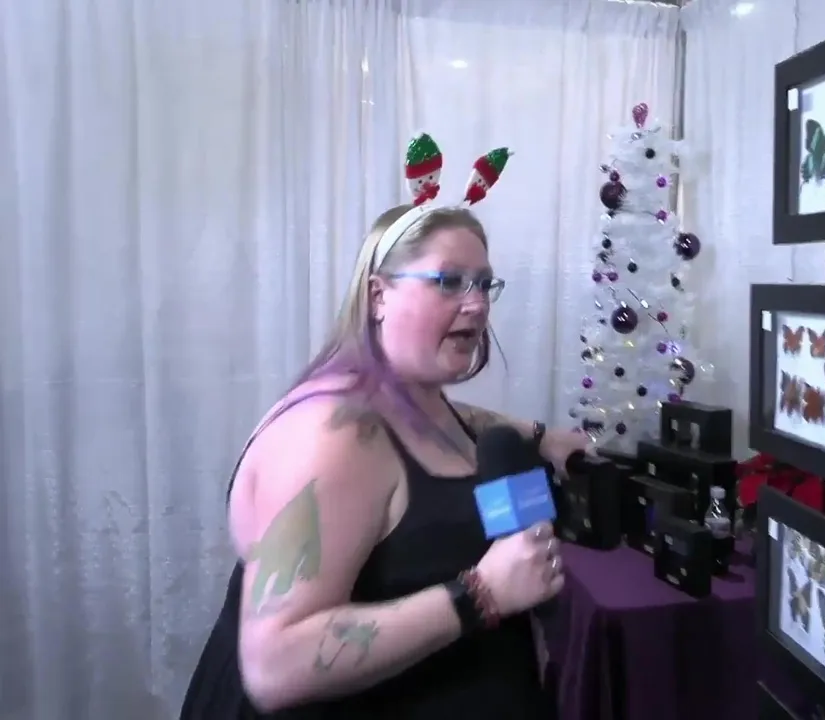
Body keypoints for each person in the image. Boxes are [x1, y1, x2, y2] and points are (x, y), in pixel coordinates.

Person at [180, 134, 592, 719]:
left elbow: (461, 420)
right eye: (449, 281)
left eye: (483, 283)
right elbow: (275, 665)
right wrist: (481, 593)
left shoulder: (414, 400)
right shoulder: (334, 436)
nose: (477, 304)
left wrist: (539, 435)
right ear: (379, 296)